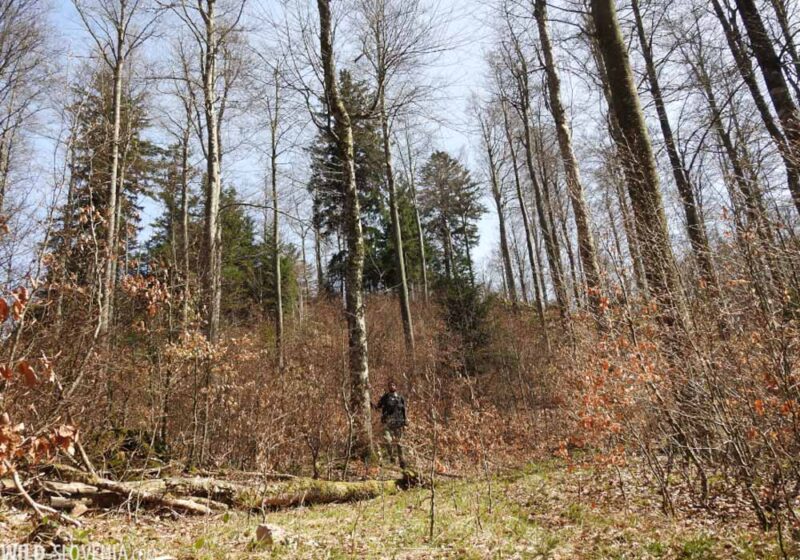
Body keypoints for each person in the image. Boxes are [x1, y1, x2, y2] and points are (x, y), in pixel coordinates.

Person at [373, 380, 407, 467]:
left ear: (396, 387)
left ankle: (402, 462)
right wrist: (370, 404)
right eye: (390, 385)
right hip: (387, 422)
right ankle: (392, 457)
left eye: (393, 385)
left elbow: (404, 411)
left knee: (400, 444)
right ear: (388, 387)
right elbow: (378, 407)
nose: (392, 387)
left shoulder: (400, 398)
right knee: (388, 441)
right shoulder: (385, 397)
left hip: (399, 423)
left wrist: (405, 421)